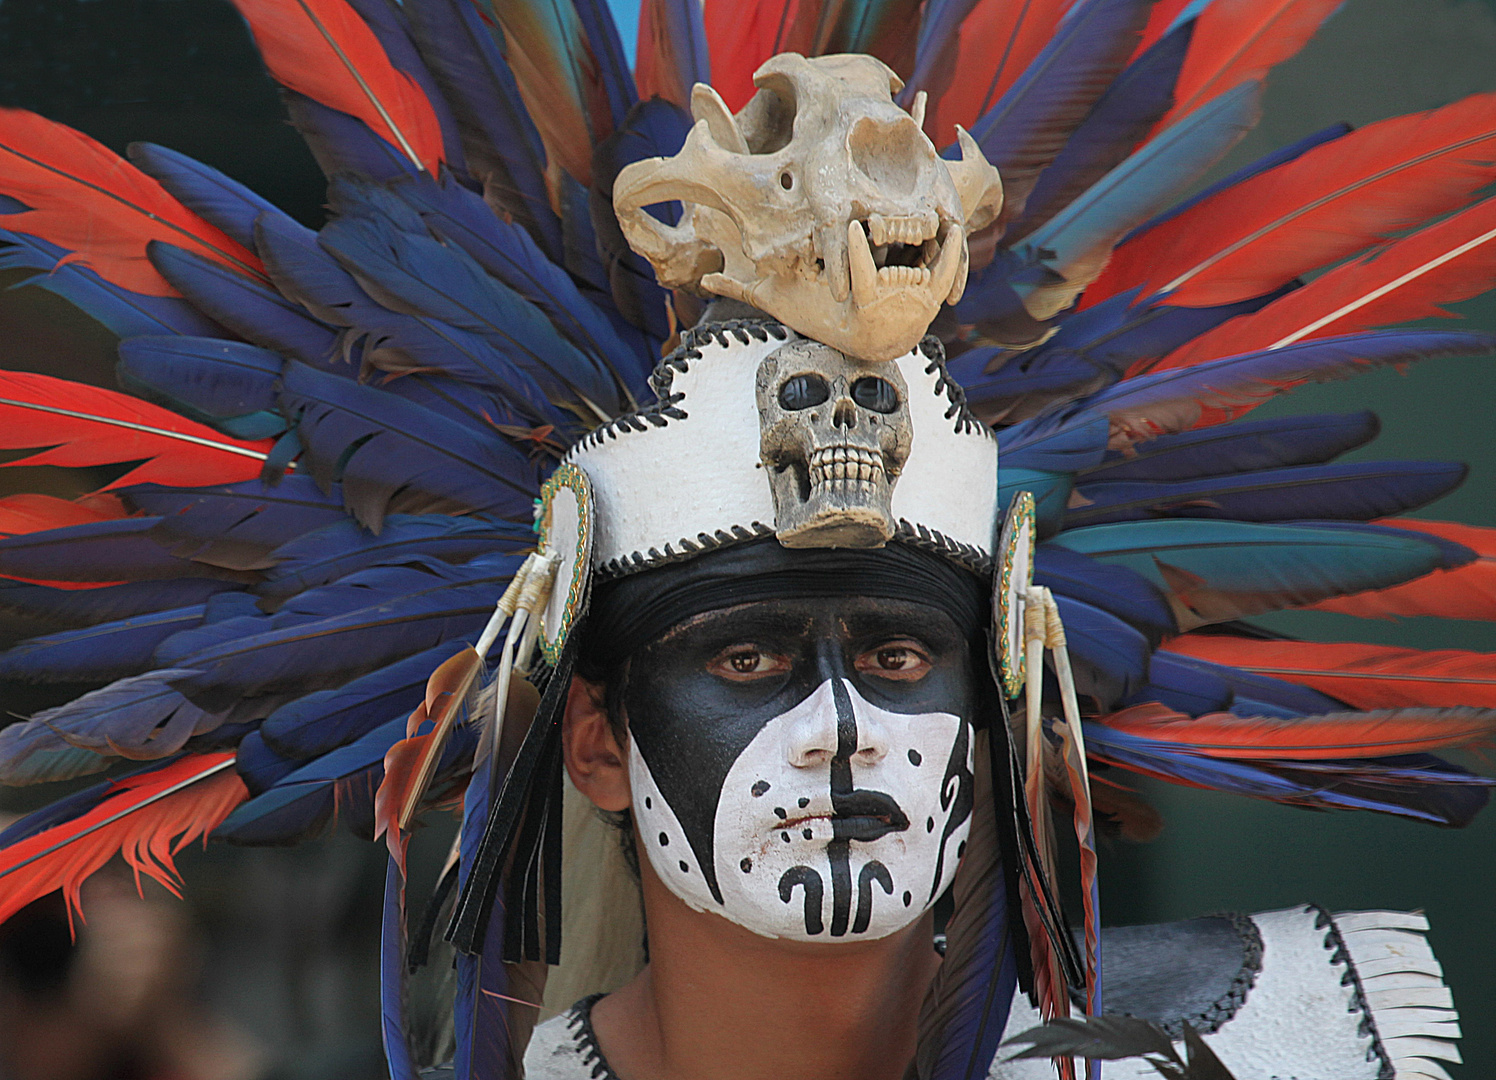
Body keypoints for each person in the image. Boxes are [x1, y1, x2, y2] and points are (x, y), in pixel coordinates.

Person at [0, 3, 1489, 1079]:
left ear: (996, 711)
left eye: (905, 653)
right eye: (751, 651)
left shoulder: (1296, 1034)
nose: (843, 732)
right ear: (592, 739)